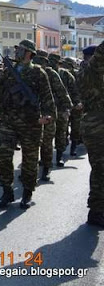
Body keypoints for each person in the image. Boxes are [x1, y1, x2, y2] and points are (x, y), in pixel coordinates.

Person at [0, 40, 55, 209]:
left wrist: (48, 116)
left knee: (30, 160)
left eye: (20, 50)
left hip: (31, 123)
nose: (17, 52)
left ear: (29, 53)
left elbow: (47, 98)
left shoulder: (39, 73)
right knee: (3, 156)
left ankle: (27, 193)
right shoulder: (8, 72)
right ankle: (7, 191)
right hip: (8, 120)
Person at [33, 50, 72, 181]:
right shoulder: (29, 72)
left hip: (49, 111)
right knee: (32, 142)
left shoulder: (52, 74)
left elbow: (62, 91)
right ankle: (30, 170)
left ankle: (47, 167)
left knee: (47, 141)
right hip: (31, 113)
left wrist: (68, 107)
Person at [76, 43, 104, 227]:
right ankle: (96, 211)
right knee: (101, 169)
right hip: (96, 126)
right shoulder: (89, 71)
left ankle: (97, 208)